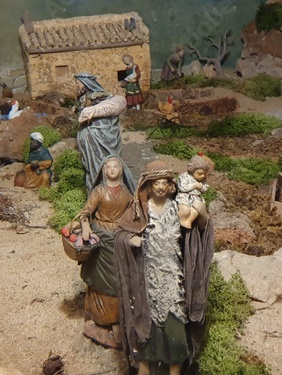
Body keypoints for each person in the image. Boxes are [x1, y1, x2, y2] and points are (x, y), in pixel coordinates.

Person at [115, 160, 214, 375]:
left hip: (173, 278)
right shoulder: (139, 210)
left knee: (175, 327)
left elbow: (199, 230)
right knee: (146, 329)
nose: (160, 187)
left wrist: (203, 213)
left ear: (170, 185)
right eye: (156, 183)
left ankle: (175, 371)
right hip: (147, 279)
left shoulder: (178, 206)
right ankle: (144, 370)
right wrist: (130, 241)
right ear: (148, 186)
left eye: (164, 183)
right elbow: (120, 234)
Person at [78, 155, 136, 349]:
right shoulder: (99, 191)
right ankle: (100, 319)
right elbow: (85, 212)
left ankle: (119, 320)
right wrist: (86, 226)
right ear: (104, 171)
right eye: (108, 166)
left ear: (121, 170)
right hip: (102, 238)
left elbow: (133, 212)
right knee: (102, 280)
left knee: (121, 279)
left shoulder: (127, 192)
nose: (112, 169)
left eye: (116, 166)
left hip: (120, 238)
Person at [74, 73, 127, 192]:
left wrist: (90, 111)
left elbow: (108, 106)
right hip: (90, 136)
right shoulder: (83, 96)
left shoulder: (96, 95)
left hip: (99, 136)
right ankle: (95, 192)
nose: (77, 86)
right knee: (92, 168)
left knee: (103, 165)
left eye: (78, 83)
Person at [176, 155, 211, 229]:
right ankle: (182, 220)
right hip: (185, 197)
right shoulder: (184, 177)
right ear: (192, 171)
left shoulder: (203, 180)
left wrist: (201, 187)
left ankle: (189, 221)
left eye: (204, 174)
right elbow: (182, 187)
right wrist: (194, 186)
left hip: (196, 198)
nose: (202, 176)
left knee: (195, 211)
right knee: (185, 209)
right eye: (200, 174)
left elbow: (205, 189)